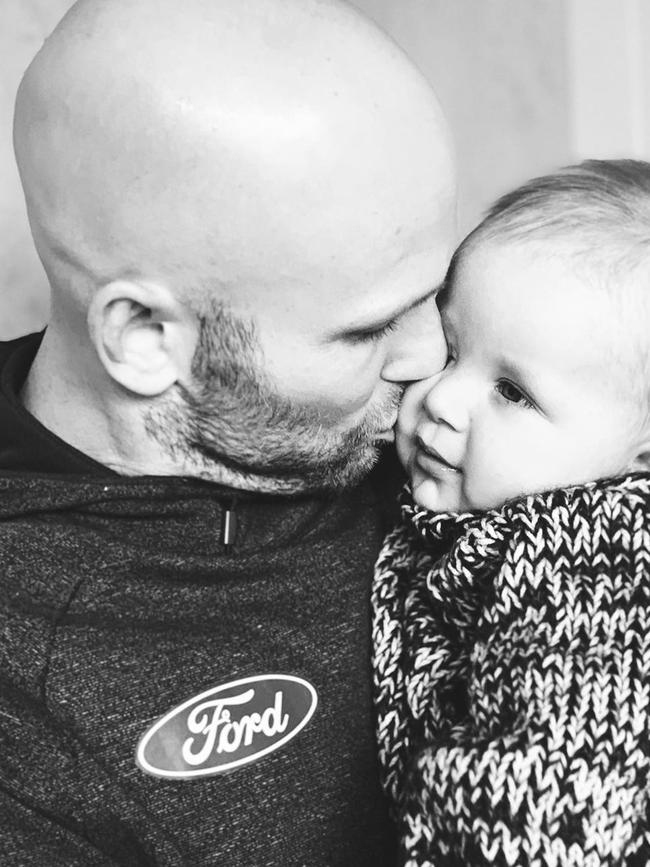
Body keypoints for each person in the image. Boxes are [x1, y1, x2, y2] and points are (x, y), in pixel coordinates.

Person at [0, 0, 457, 864]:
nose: (435, 355)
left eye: (439, 286)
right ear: (144, 338)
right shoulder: (27, 694)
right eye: (366, 331)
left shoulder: (431, 409)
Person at [373, 159, 650, 866]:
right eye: (451, 348)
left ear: (641, 458)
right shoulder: (470, 500)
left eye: (513, 392)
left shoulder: (595, 560)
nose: (441, 399)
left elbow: (548, 808)